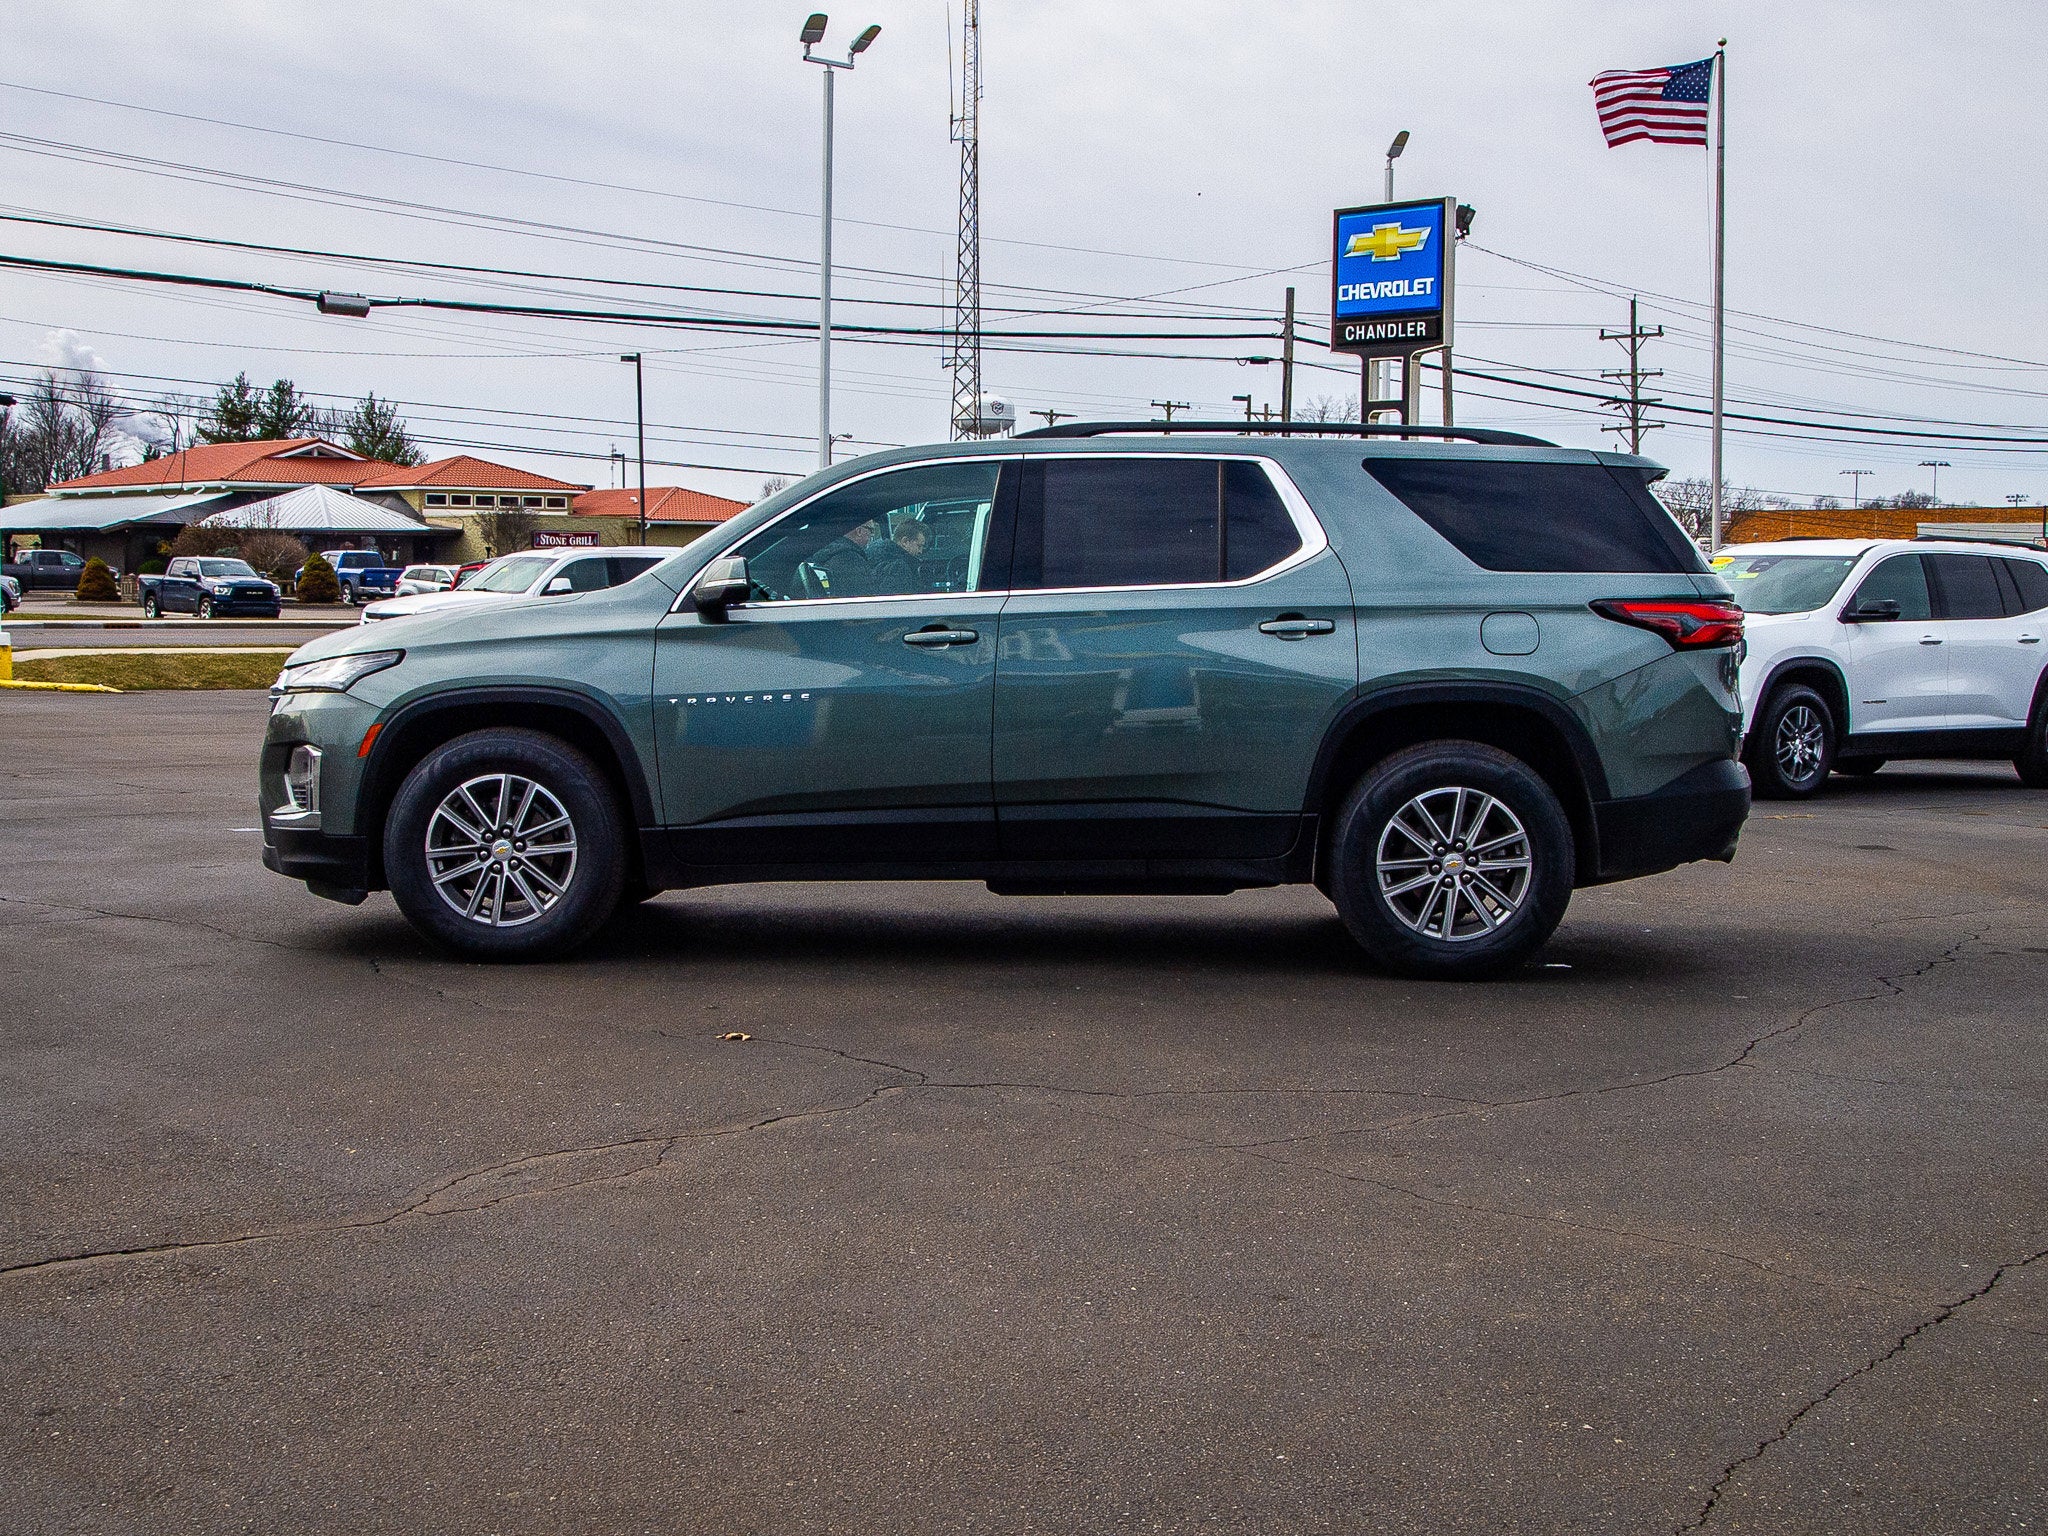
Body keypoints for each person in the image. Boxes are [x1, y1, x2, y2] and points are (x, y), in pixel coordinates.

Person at [806, 519, 880, 598]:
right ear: (859, 531)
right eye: (871, 530)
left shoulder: (830, 553)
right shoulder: (851, 561)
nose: (872, 535)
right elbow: (865, 598)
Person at [867, 518, 929, 594]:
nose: (920, 551)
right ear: (905, 542)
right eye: (919, 546)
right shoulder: (899, 569)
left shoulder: (873, 557)